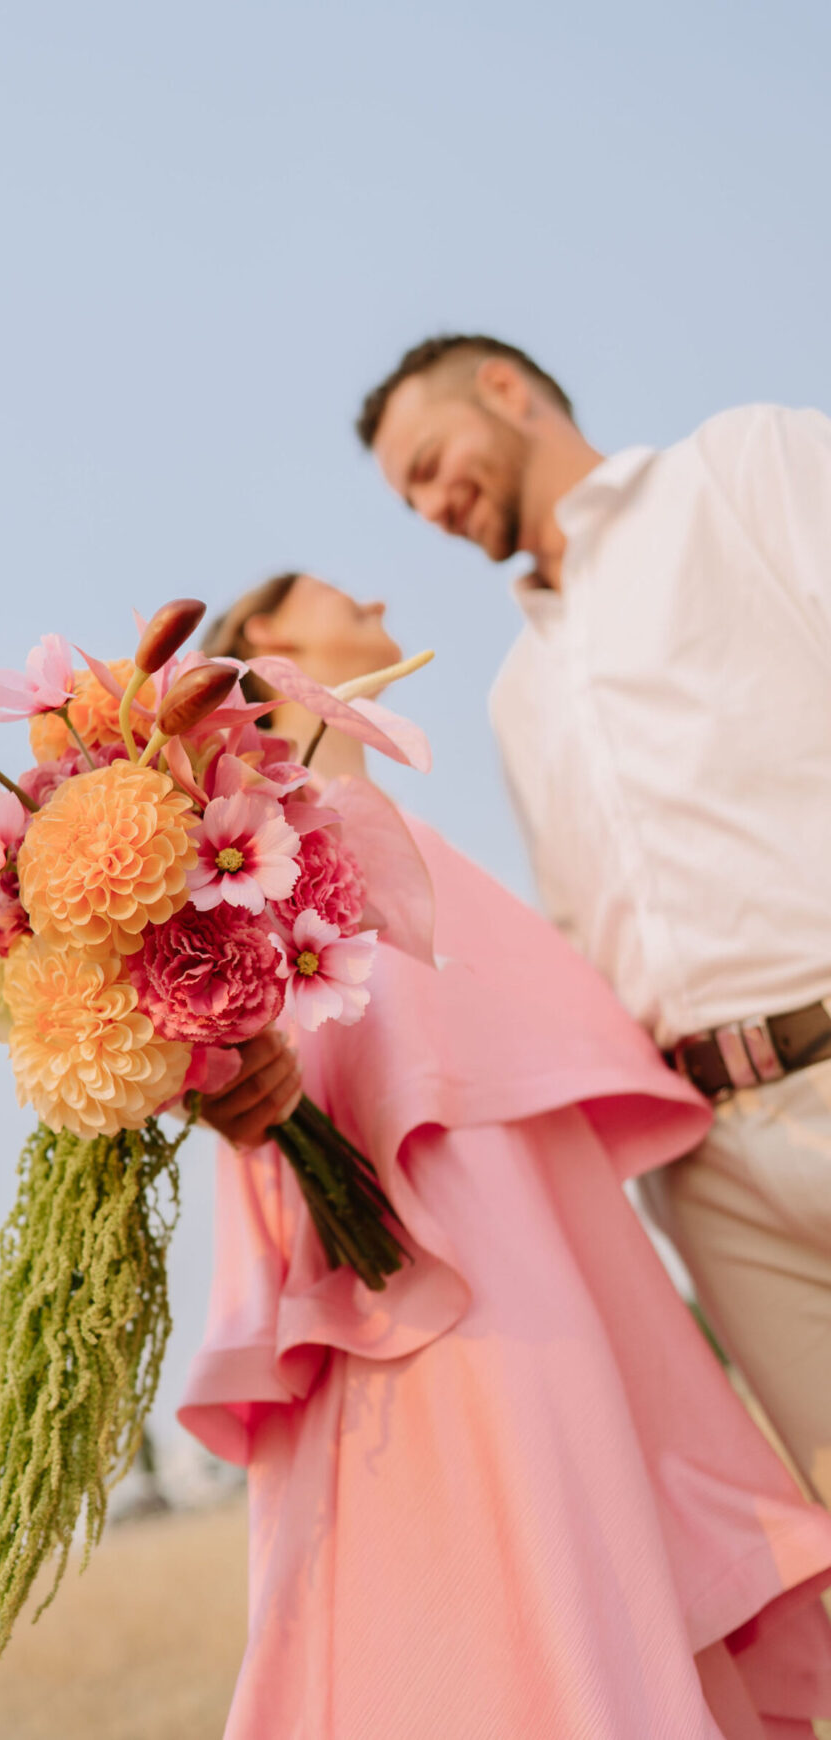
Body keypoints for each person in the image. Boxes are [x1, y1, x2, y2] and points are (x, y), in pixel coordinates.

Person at [184, 573, 831, 1738]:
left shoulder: (402, 843)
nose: (376, 596)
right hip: (439, 1298)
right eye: (333, 589)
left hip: (544, 1256)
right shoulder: (250, 854)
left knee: (593, 1558)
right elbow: (246, 1067)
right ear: (266, 634)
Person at [355, 335, 831, 1509]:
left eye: (429, 461)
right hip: (708, 1170)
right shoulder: (515, 696)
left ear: (505, 390)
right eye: (407, 496)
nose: (429, 505)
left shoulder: (742, 467)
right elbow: (574, 944)